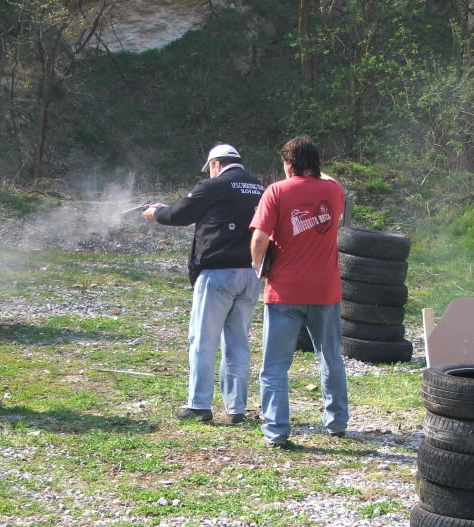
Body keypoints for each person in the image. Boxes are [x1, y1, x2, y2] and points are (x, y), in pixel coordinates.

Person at [143, 143, 264, 424]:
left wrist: (155, 214)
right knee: (238, 343)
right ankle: (236, 409)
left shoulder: (212, 185)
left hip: (217, 273)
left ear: (215, 164)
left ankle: (199, 404)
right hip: (250, 273)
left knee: (203, 340)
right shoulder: (259, 187)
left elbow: (180, 214)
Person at [249, 135, 348, 447]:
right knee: (330, 358)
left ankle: (276, 431)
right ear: (315, 163)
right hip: (325, 290)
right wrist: (315, 170)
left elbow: (260, 238)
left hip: (285, 291)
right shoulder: (334, 190)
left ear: (289, 164)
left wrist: (257, 265)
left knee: (275, 367)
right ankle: (337, 422)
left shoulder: (276, 191)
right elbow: (329, 180)